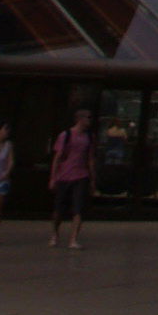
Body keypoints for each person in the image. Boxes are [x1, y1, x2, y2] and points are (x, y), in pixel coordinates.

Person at [47, 106, 96, 250]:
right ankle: (55, 233)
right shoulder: (66, 135)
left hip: (81, 175)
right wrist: (53, 177)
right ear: (79, 119)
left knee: (78, 208)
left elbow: (91, 158)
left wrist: (93, 179)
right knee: (59, 209)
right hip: (64, 175)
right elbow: (57, 157)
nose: (90, 120)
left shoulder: (89, 137)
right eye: (88, 117)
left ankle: (73, 238)